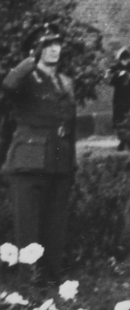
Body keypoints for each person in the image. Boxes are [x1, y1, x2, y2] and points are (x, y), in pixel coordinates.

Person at [1, 23, 77, 286]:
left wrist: (71, 163)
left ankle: (53, 283)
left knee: (55, 226)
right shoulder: (26, 79)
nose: (54, 49)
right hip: (29, 162)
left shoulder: (66, 82)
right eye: (46, 45)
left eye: (57, 43)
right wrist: (29, 62)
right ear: (35, 50)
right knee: (28, 228)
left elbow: (70, 125)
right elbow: (7, 86)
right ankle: (30, 286)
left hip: (59, 161)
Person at [109, 47, 130, 148]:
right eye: (123, 60)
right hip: (120, 98)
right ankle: (122, 140)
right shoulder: (115, 67)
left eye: (127, 59)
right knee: (120, 118)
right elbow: (110, 81)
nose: (125, 62)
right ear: (120, 60)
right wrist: (118, 75)